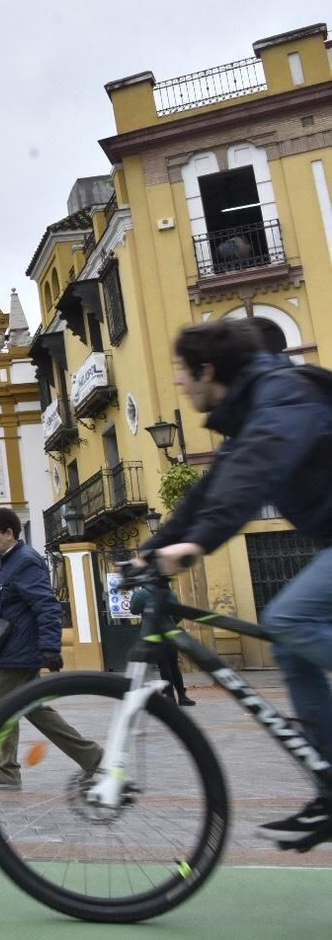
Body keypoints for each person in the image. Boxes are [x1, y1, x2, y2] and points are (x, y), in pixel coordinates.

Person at [138, 319, 332, 842]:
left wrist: (197, 545)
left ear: (207, 370)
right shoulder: (249, 412)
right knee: (291, 645)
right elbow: (210, 491)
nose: (179, 382)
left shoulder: (281, 395)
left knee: (289, 617)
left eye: (182, 371)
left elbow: (253, 470)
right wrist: (151, 551)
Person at [0, 507, 102, 790]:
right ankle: (93, 757)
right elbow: (16, 600)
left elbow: (46, 605)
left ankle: (5, 770)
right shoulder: (7, 561)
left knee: (4, 712)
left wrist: (50, 645)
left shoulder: (25, 561)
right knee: (36, 710)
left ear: (9, 533)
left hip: (20, 651)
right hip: (12, 648)